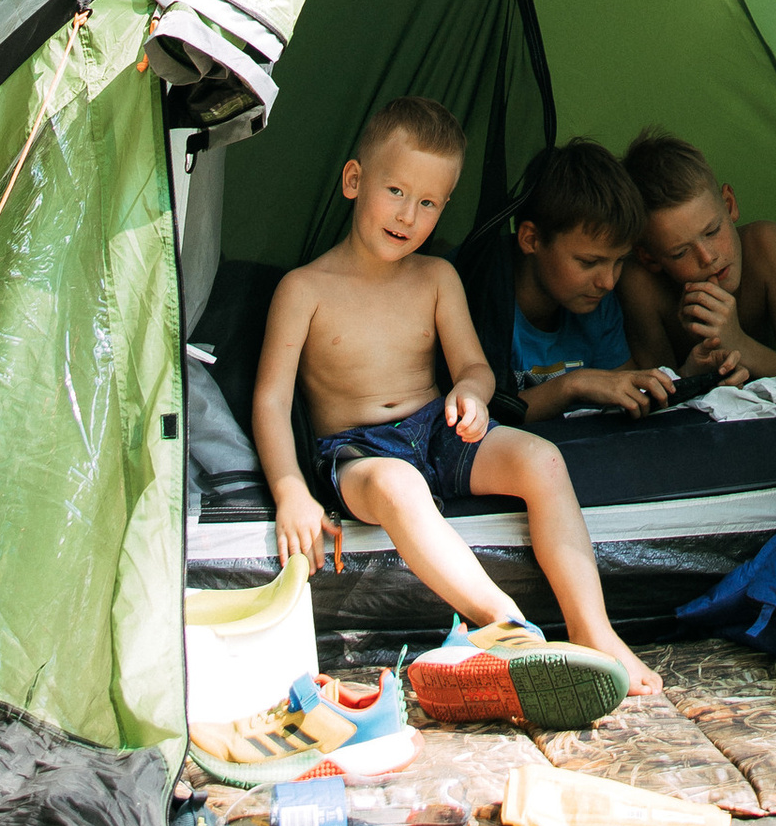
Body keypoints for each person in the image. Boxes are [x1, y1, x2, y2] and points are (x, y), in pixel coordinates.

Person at [250, 91, 657, 709]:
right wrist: (290, 493)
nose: (408, 215)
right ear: (355, 180)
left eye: (429, 203)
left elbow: (474, 367)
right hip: (358, 454)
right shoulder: (304, 289)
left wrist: (471, 392)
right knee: (399, 488)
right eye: (396, 192)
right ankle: (504, 624)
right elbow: (271, 399)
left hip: (438, 431)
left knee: (541, 459)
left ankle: (593, 630)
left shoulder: (438, 279)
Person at [620, 127, 776, 382]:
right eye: (680, 253)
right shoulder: (640, 284)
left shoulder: (765, 245)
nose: (707, 258)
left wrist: (737, 343)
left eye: (712, 231)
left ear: (729, 204)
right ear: (649, 258)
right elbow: (656, 393)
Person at [500, 139, 678, 421]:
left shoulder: (598, 304)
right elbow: (468, 420)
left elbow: (626, 393)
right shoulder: (477, 294)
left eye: (619, 261)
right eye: (589, 262)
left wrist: (692, 378)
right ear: (531, 239)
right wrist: (572, 385)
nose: (608, 282)